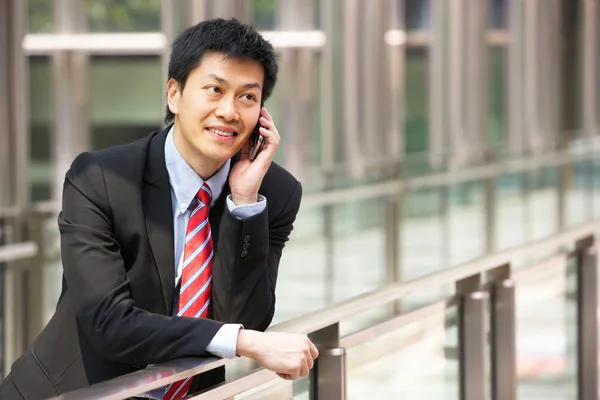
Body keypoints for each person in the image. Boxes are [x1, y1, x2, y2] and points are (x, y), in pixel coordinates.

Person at [0, 18, 318, 400]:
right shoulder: (100, 178)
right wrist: (243, 341)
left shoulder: (275, 193)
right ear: (174, 94)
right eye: (214, 90)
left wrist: (243, 204)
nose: (230, 112)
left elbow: (245, 319)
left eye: (248, 97)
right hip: (71, 393)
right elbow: (109, 323)